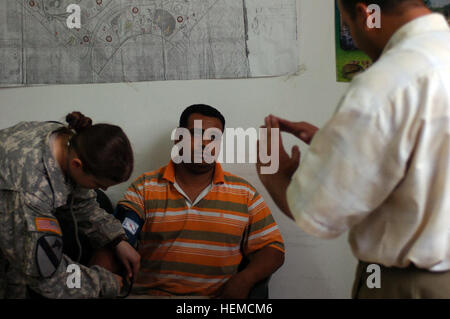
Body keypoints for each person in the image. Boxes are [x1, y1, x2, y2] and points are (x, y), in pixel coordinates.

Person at [257, 0, 450, 298]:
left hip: (410, 287)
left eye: (346, 24)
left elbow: (317, 211)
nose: (352, 36)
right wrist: (345, 146)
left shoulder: (387, 82)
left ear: (366, 13)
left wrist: (275, 174)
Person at [94, 104, 285, 298]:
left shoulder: (244, 193)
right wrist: (97, 284)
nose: (205, 143)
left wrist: (244, 280)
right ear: (179, 138)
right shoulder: (145, 187)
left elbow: (272, 248)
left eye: (213, 137)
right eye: (197, 134)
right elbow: (118, 238)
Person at [0, 112, 141, 299]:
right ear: (77, 164)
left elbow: (82, 201)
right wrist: (106, 283)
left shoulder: (69, 141)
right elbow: (47, 277)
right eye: (99, 184)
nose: (103, 189)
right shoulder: (29, 192)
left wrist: (117, 240)